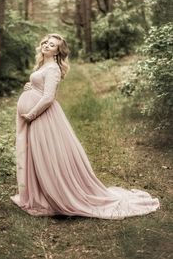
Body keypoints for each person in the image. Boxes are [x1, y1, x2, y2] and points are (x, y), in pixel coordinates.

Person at [10, 33, 160, 219]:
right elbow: (41, 88)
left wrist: (32, 113)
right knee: (36, 153)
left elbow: (49, 97)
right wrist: (30, 87)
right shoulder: (44, 65)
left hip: (42, 117)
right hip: (34, 116)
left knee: (47, 154)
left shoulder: (53, 69)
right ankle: (40, 193)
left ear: (58, 52)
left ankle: (57, 194)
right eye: (47, 42)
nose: (47, 46)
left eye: (53, 45)